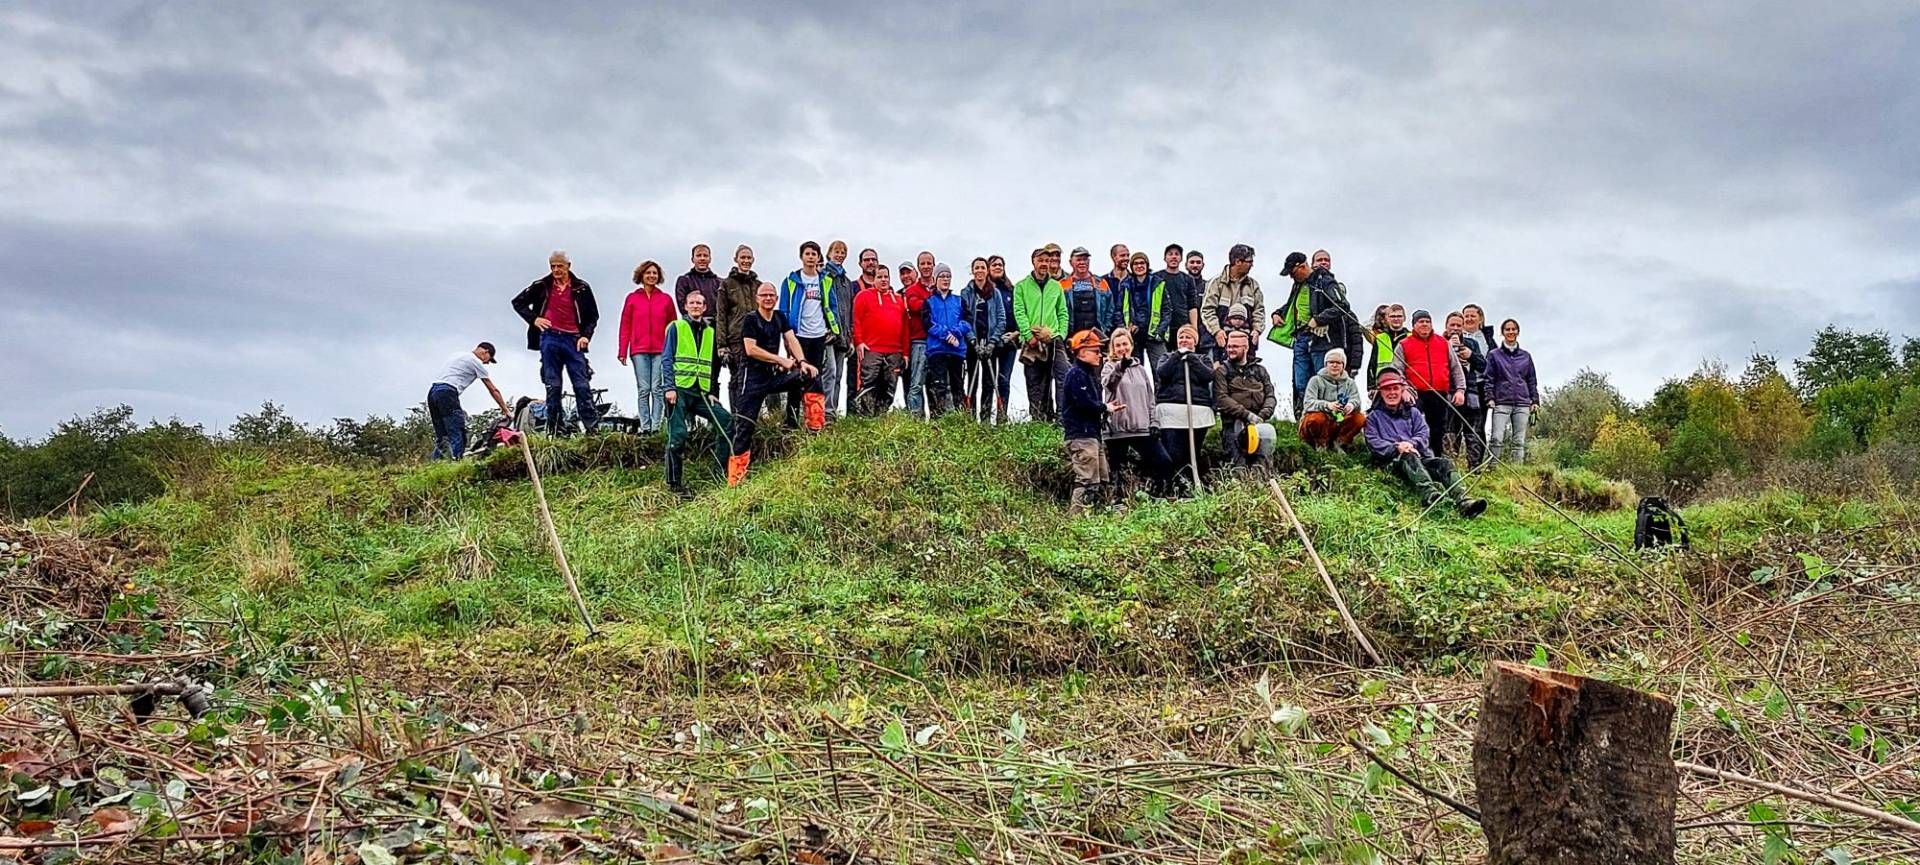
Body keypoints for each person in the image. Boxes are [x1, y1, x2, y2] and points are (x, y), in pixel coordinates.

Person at [728, 282, 818, 485]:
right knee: (744, 427)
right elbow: (751, 349)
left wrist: (802, 361)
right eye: (764, 295)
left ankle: (813, 426)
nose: (768, 298)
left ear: (776, 299)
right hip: (750, 380)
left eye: (771, 295)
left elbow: (791, 339)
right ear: (757, 299)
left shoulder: (779, 317)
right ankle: (735, 479)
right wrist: (781, 360)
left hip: (771, 377)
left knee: (809, 375)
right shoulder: (751, 319)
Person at [1364, 368, 1487, 517]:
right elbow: (1373, 443)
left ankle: (1464, 501)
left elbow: (1423, 434)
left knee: (1444, 463)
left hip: (1420, 459)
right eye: (1387, 389)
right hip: (1392, 463)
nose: (1392, 393)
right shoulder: (1373, 417)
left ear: (1402, 389)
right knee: (1408, 456)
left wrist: (1411, 443)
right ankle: (1431, 497)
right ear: (1380, 392)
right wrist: (1397, 447)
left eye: (1395, 388)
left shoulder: (1413, 412)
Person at [511, 250, 601, 435]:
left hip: (573, 339)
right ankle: (554, 429)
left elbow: (593, 316)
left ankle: (592, 429)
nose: (556, 269)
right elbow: (517, 302)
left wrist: (586, 336)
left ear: (568, 265)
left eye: (560, 266)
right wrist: (534, 319)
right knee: (553, 386)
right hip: (549, 337)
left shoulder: (582, 288)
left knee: (582, 384)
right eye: (553, 266)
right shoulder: (541, 285)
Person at [662, 291, 732, 494]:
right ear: (685, 306)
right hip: (679, 389)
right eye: (692, 303)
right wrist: (669, 387)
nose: (695, 306)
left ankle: (718, 473)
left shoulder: (710, 331)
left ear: (704, 307)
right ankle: (675, 483)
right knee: (678, 436)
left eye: (699, 303)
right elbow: (667, 358)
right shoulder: (676, 327)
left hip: (701, 391)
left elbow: (710, 364)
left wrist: (711, 390)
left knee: (726, 421)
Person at [1101, 328, 1173, 494]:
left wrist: (1154, 422)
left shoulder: (1141, 369)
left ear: (1131, 345)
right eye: (1117, 345)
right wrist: (1120, 367)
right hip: (1118, 430)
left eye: (1125, 344)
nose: (1122, 348)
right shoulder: (1108, 367)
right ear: (1112, 347)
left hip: (1142, 428)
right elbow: (1110, 384)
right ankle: (1120, 502)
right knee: (1119, 472)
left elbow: (1150, 398)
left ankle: (1158, 496)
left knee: (1164, 462)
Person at [778, 241, 841, 429]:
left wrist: (833, 328)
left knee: (815, 378)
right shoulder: (791, 281)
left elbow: (832, 305)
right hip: (798, 335)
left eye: (814, 254)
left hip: (818, 335)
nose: (811, 257)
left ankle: (814, 422)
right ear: (801, 257)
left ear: (818, 257)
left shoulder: (825, 280)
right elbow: (784, 309)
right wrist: (786, 336)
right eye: (808, 254)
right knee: (796, 377)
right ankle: (791, 421)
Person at [1063, 329, 1123, 510]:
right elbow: (1083, 402)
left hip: (1092, 435)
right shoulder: (1076, 375)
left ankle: (1099, 517)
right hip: (1082, 435)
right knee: (1087, 479)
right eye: (1095, 351)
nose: (1100, 354)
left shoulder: (1087, 374)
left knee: (1102, 478)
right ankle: (1077, 519)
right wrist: (1105, 407)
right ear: (1082, 352)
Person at [1393, 309, 1465, 459]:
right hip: (1415, 393)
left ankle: (1436, 460)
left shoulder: (1443, 343)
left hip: (1439, 392)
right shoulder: (1404, 344)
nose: (1425, 324)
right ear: (1414, 325)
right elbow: (1396, 370)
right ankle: (1414, 458)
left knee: (1438, 429)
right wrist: (1403, 388)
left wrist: (1460, 390)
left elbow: (1456, 368)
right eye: (1421, 321)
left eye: (1427, 321)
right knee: (1414, 427)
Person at [1154, 324, 1216, 496]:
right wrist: (1177, 357)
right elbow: (1162, 373)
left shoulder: (1203, 359)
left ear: (1194, 341)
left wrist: (1191, 358)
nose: (1184, 340)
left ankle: (1190, 489)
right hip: (1171, 411)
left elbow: (1208, 375)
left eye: (1188, 337)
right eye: (1181, 337)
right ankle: (1173, 489)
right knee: (1174, 453)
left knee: (1193, 453)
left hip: (1197, 412)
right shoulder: (1167, 357)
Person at [617, 260, 676, 433]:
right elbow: (625, 325)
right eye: (648, 273)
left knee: (657, 388)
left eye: (654, 273)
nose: (651, 276)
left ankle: (656, 427)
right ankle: (645, 427)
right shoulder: (632, 298)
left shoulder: (666, 299)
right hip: (639, 349)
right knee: (644, 389)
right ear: (641, 276)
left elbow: (673, 326)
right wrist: (622, 350)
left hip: (661, 350)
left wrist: (674, 350)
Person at [427, 341, 512, 459]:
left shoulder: (458, 355)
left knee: (442, 436)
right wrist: (506, 410)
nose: (486, 363)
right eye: (489, 359)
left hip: (433, 392)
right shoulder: (476, 362)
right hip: (448, 392)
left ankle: (435, 466)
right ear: (485, 352)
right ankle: (456, 465)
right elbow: (493, 390)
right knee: (458, 433)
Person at [1013, 247, 1067, 421]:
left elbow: (1063, 313)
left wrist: (1061, 334)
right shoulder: (1021, 286)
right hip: (1031, 342)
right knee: (1035, 382)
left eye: (1047, 261)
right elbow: (1019, 312)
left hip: (1053, 339)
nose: (1044, 264)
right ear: (1033, 262)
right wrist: (1029, 336)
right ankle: (1038, 420)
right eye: (1041, 260)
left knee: (1063, 376)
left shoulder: (1056, 286)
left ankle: (1061, 418)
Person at [1214, 329, 1276, 470]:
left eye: (1235, 346)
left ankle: (1262, 488)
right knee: (1237, 467)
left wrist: (1262, 415)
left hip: (1260, 425)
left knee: (1263, 465)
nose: (1231, 349)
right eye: (1229, 346)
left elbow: (1270, 396)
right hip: (1233, 424)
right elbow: (1222, 399)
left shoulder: (1261, 370)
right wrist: (1247, 415)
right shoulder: (1222, 371)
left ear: (1246, 347)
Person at [965, 257, 1016, 423]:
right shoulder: (967, 292)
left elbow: (1001, 319)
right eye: (976, 268)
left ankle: (985, 419)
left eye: (982, 267)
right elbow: (964, 319)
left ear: (987, 271)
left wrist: (993, 341)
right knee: (972, 380)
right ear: (972, 271)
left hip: (990, 344)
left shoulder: (995, 292)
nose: (980, 270)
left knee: (989, 383)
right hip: (973, 344)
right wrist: (972, 340)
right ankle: (970, 419)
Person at [852, 265, 907, 414]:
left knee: (890, 386)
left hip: (894, 351)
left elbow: (905, 327)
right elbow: (856, 320)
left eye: (886, 277)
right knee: (869, 384)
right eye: (880, 277)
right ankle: (866, 417)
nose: (883, 280)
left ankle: (881, 416)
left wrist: (906, 353)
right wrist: (859, 342)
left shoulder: (898, 299)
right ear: (874, 279)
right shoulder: (863, 296)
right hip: (871, 349)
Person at [1486, 318, 1540, 463]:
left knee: (1519, 441)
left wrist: (1534, 400)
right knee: (1496, 438)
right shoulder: (1494, 355)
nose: (1511, 332)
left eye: (1513, 329)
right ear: (1502, 333)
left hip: (1522, 402)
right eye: (1507, 329)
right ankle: (1493, 470)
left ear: (1518, 332)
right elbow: (1489, 378)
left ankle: (1516, 470)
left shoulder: (1526, 356)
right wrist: (1489, 397)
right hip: (1501, 402)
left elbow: (1531, 380)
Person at [1311, 250, 1369, 383]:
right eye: (1320, 260)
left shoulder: (1349, 316)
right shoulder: (1318, 306)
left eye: (1326, 260)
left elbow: (1356, 340)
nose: (1323, 262)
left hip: (1344, 360)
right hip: (1322, 354)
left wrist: (1355, 365)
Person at [923, 264, 972, 415]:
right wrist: (946, 335)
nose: (945, 279)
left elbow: (967, 321)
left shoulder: (959, 301)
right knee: (939, 386)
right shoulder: (929, 302)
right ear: (935, 279)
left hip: (956, 351)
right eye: (942, 276)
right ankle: (938, 419)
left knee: (958, 385)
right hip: (937, 350)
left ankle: (960, 418)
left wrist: (956, 333)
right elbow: (928, 324)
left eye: (948, 276)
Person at [716, 245, 760, 410]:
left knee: (754, 378)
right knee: (737, 378)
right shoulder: (727, 285)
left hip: (756, 340)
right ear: (736, 259)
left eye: (749, 258)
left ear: (753, 260)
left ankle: (751, 415)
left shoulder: (758, 285)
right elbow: (721, 315)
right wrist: (722, 345)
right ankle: (737, 415)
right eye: (743, 257)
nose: (746, 261)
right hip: (735, 338)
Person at [1201, 244, 1263, 361]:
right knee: (1219, 375)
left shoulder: (1253, 285)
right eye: (1249, 261)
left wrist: (1257, 330)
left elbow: (1259, 310)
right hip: (1220, 343)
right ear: (1238, 261)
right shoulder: (1216, 283)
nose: (1252, 265)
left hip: (1246, 344)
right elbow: (1207, 310)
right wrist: (1217, 331)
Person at [1118, 251, 1179, 369]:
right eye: (1135, 263)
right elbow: (1119, 310)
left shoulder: (1158, 283)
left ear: (1147, 265)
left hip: (1154, 335)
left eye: (1142, 263)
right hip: (1133, 336)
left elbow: (1167, 310)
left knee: (1162, 370)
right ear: (1132, 266)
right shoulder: (1126, 285)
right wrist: (1124, 329)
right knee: (1133, 371)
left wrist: (1159, 331)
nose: (1139, 266)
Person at [1298, 348, 1366, 450]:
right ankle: (1320, 445)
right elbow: (1308, 403)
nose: (1335, 365)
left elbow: (1356, 400)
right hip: (1317, 424)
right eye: (1331, 362)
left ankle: (1339, 443)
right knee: (1316, 418)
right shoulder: (1315, 380)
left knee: (1360, 418)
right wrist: (1328, 406)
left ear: (1343, 365)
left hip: (1338, 422)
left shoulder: (1350, 383)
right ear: (1326, 364)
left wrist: (1350, 406)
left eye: (1338, 362)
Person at [1444, 311, 1488, 467]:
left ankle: (1474, 467)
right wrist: (1449, 348)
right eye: (1452, 325)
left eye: (1458, 325)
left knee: (1473, 431)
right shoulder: (1440, 342)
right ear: (1446, 326)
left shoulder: (1472, 344)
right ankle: (1450, 466)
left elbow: (1483, 366)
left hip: (1471, 392)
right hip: (1448, 391)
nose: (1455, 328)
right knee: (1450, 429)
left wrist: (1471, 355)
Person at [1274, 251, 1316, 412]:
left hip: (1317, 338)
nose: (1292, 277)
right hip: (1300, 337)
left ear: (1302, 266)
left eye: (1292, 273)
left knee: (1318, 378)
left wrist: (1318, 320)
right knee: (1300, 381)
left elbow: (1337, 308)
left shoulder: (1320, 282)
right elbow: (1290, 304)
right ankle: (1303, 415)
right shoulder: (1297, 285)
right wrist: (1277, 313)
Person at [981, 255, 1020, 421]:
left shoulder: (1011, 290)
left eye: (1000, 265)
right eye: (994, 265)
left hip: (1009, 341)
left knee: (1004, 381)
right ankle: (984, 418)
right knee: (988, 381)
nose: (998, 267)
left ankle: (1001, 418)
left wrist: (1017, 333)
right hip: (991, 341)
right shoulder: (984, 290)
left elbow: (1019, 312)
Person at [821, 240, 855, 417]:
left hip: (843, 335)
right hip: (828, 334)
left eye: (843, 252)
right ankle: (826, 412)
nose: (840, 255)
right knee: (830, 372)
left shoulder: (847, 282)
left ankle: (832, 413)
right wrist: (825, 327)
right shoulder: (823, 276)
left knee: (839, 375)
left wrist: (850, 336)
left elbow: (849, 309)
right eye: (837, 251)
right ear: (829, 253)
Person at [904, 253, 934, 416]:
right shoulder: (912, 290)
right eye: (923, 263)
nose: (926, 266)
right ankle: (916, 419)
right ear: (919, 267)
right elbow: (915, 307)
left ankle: (938, 420)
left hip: (938, 342)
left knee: (936, 384)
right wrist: (935, 303)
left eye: (929, 263)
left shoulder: (940, 287)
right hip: (919, 341)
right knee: (916, 384)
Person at [673, 244, 721, 322]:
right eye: (698, 255)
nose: (702, 258)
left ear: (710, 259)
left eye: (705, 256)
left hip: (714, 325)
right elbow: (682, 306)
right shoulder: (684, 280)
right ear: (693, 259)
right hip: (691, 324)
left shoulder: (719, 282)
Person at [1367, 304, 1409, 391]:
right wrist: (1371, 387)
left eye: (1399, 316)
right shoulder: (1379, 338)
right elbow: (1372, 364)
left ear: (1404, 318)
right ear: (1387, 318)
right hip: (1382, 383)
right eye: (1393, 316)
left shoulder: (1410, 337)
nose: (1396, 319)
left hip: (1405, 385)